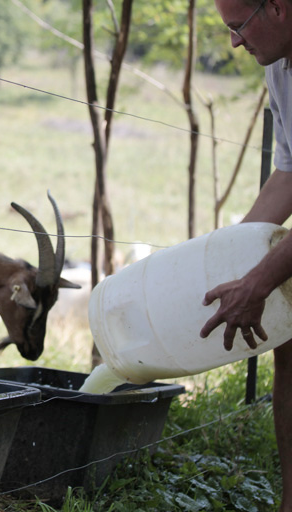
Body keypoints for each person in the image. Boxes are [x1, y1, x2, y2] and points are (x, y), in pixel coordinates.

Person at [202, 0, 292, 509]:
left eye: (238, 26)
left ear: (276, 8)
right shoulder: (279, 68)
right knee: (290, 344)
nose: (234, 42)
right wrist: (227, 258)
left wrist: (257, 282)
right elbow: (288, 175)